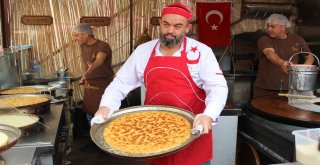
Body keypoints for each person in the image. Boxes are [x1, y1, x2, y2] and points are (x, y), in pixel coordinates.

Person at [92, 2, 228, 165]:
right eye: (166, 24)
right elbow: (120, 83)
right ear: (160, 23)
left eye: (178, 26)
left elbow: (217, 87)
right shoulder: (143, 51)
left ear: (187, 28)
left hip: (192, 132)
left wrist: (209, 115)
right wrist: (106, 106)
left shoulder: (201, 52)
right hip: (152, 133)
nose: (170, 31)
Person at [253, 14, 315, 98]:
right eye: (268, 26)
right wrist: (282, 62)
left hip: (290, 89)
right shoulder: (264, 39)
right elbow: (269, 54)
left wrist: (302, 70)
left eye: (272, 26)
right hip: (265, 88)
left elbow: (310, 56)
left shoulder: (297, 39)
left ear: (283, 27)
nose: (269, 29)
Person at [72, 23, 114, 124]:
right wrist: (85, 75)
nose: (74, 39)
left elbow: (99, 59)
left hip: (103, 85)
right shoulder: (83, 46)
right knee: (89, 113)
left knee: (103, 114)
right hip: (89, 86)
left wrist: (93, 66)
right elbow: (88, 66)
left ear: (86, 34)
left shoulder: (102, 46)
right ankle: (93, 135)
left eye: (76, 35)